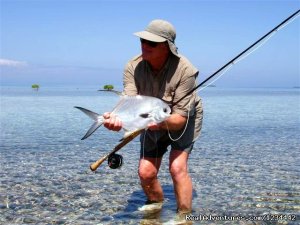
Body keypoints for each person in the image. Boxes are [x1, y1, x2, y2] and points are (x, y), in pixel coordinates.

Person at [103, 19, 203, 215]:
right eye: (143, 40)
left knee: (177, 168)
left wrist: (157, 121)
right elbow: (129, 102)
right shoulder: (132, 66)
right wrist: (117, 120)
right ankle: (156, 208)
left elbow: (180, 119)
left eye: (152, 43)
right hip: (150, 117)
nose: (145, 46)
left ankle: (184, 216)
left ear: (168, 46)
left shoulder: (186, 71)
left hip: (182, 119)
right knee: (146, 173)